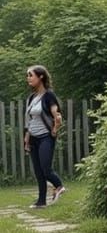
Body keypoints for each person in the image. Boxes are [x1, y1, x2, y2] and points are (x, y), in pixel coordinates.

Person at [23, 66, 66, 208]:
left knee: (45, 169)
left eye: (31, 75)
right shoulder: (31, 98)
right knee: (38, 172)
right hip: (33, 137)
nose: (28, 78)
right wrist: (27, 137)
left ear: (41, 77)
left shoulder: (49, 95)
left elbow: (57, 115)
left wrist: (55, 129)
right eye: (27, 75)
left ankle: (59, 186)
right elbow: (30, 120)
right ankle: (41, 201)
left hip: (46, 137)